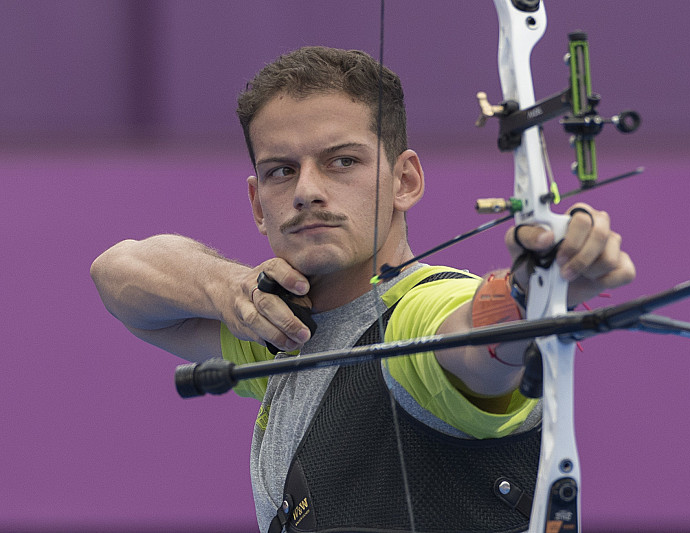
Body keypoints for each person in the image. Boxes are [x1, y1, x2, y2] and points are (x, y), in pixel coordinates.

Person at [91, 46, 634, 532]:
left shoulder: (418, 313)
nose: (307, 190)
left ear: (406, 181)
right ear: (258, 203)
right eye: (282, 171)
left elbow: (471, 341)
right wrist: (228, 288)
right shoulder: (283, 329)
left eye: (342, 161)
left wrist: (528, 291)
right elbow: (117, 273)